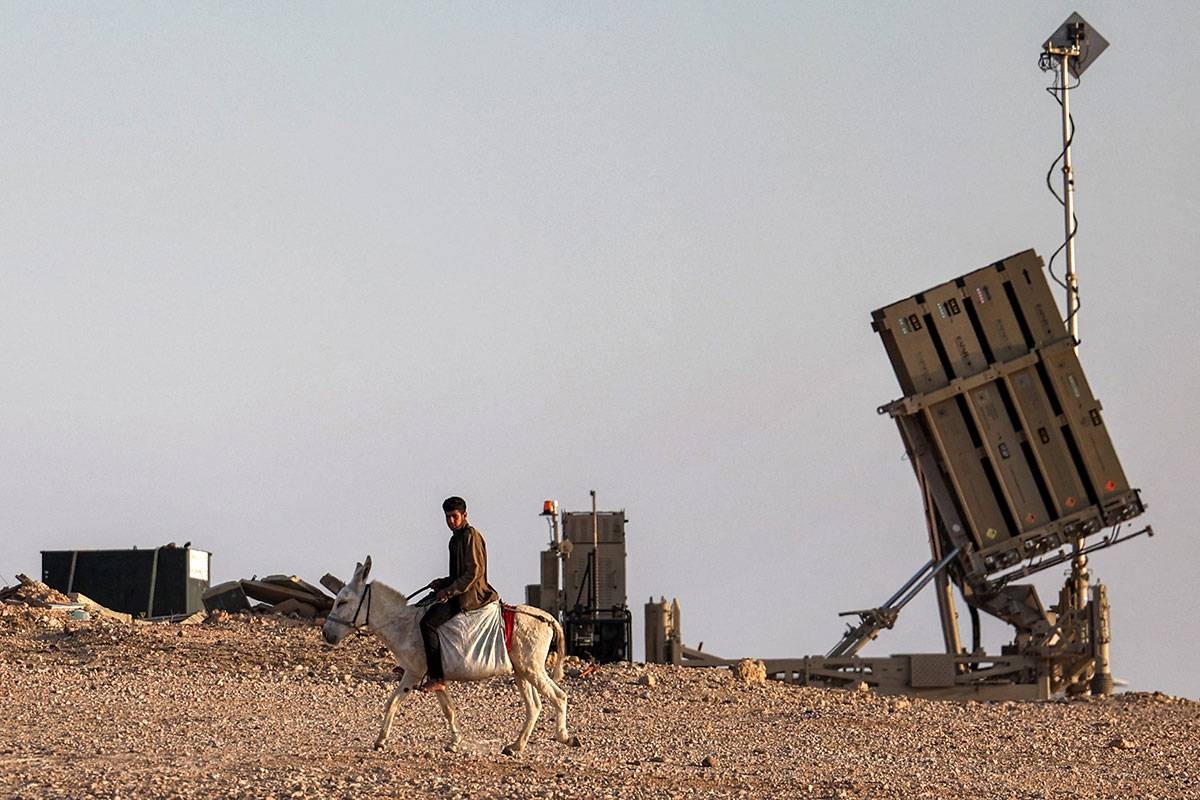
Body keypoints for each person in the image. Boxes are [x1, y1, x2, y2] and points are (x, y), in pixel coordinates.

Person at [417, 496, 499, 693]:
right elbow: (457, 574)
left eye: (454, 516)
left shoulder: (471, 536)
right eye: (448, 517)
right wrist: (442, 583)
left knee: (427, 623)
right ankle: (417, 665)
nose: (451, 521)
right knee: (419, 608)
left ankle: (437, 677)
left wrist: (449, 590)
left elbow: (474, 572)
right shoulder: (455, 539)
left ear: (464, 515)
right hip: (459, 591)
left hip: (470, 595)